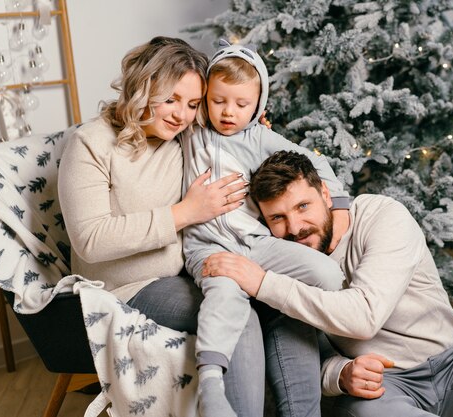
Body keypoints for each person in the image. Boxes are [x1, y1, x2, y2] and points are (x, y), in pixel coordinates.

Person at [202, 150, 453, 417]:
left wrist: (261, 282)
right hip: (386, 390)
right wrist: (339, 375)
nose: (294, 227)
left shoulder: (380, 215)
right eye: (277, 218)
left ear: (326, 196)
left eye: (302, 207)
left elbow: (364, 316)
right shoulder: (282, 261)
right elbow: (297, 354)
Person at [57, 36, 265, 417]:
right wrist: (184, 213)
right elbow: (91, 240)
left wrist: (255, 126)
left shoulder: (185, 136)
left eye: (191, 104)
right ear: (143, 86)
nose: (180, 115)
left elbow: (232, 119)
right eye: (170, 99)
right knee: (238, 317)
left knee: (274, 302)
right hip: (127, 287)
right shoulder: (89, 144)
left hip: (188, 270)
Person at [181, 39, 350, 417]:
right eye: (219, 100)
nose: (228, 112)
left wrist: (339, 206)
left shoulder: (261, 138)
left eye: (242, 105)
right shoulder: (192, 132)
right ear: (206, 97)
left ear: (258, 106)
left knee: (325, 271)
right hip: (208, 248)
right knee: (224, 293)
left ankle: (326, 355)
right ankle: (211, 383)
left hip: (256, 243)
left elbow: (315, 166)